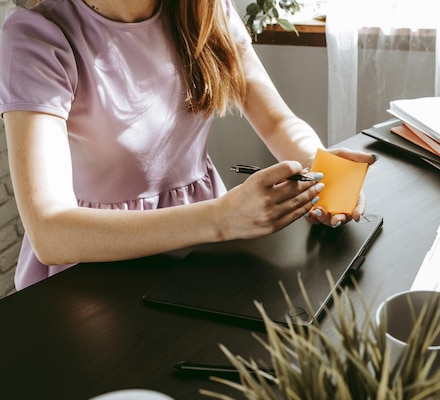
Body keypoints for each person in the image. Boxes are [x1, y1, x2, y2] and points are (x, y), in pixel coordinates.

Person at [0, 0, 377, 290]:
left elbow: (278, 121)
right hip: (94, 264)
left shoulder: (204, 10)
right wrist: (221, 219)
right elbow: (50, 231)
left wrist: (319, 168)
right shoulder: (38, 37)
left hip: (203, 253)